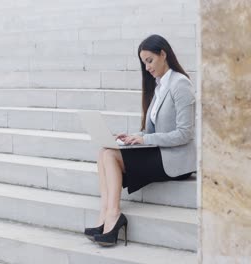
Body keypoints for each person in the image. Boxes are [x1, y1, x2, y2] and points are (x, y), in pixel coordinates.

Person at [84, 34, 196, 247]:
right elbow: (151, 129)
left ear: (163, 54)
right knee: (104, 151)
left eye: (149, 60)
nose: (147, 67)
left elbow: (185, 134)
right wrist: (131, 137)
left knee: (110, 155)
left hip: (176, 160)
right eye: (144, 62)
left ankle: (114, 214)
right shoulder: (159, 85)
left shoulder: (180, 84)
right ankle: (106, 214)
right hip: (160, 150)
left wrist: (145, 138)